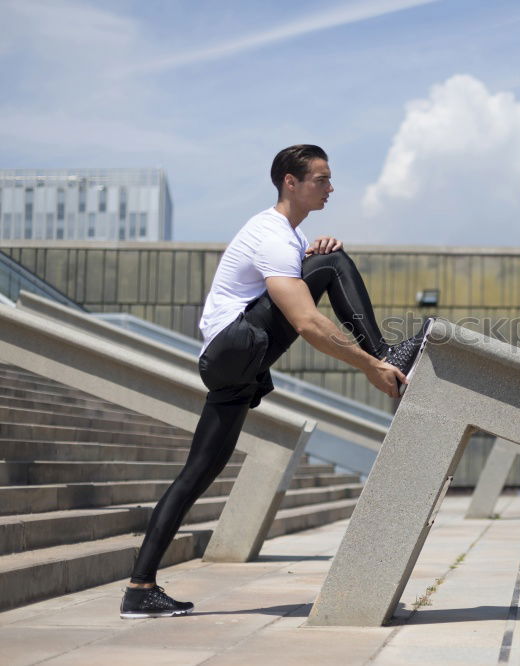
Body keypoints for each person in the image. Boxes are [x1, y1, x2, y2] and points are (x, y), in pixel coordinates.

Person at [120, 144, 432, 619]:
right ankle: (389, 351)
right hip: (233, 348)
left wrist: (311, 255)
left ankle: (139, 590)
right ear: (291, 181)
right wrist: (373, 365)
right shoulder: (272, 234)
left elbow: (293, 293)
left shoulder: (289, 239)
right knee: (334, 264)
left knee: (195, 476)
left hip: (233, 369)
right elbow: (306, 321)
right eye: (321, 180)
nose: (330, 188)